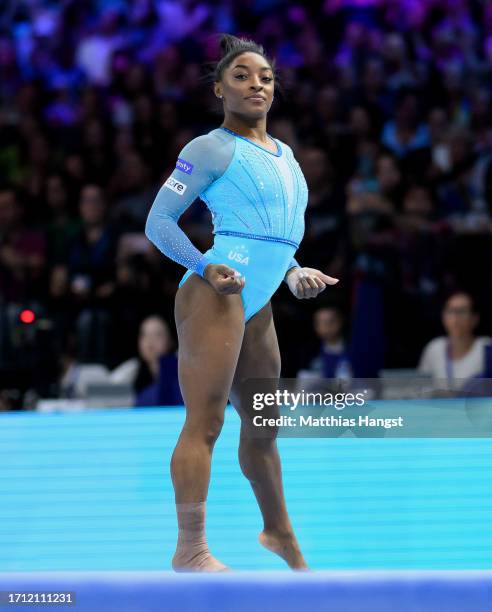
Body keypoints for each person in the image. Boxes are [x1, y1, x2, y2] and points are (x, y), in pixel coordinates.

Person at [145, 34, 338, 572]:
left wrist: (297, 273)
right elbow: (158, 223)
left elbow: (277, 237)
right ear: (218, 89)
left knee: (262, 431)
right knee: (205, 423)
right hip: (215, 293)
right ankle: (190, 550)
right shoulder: (208, 148)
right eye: (241, 75)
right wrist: (204, 266)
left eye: (265, 77)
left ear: (274, 92)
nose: (256, 83)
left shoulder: (287, 156)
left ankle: (281, 536)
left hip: (258, 302)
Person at [418, 291, 492, 388]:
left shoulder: (486, 346)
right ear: (443, 316)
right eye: (450, 311)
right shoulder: (434, 348)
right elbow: (420, 386)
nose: (455, 317)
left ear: (475, 318)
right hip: (441, 403)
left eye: (462, 311)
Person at [110, 315, 182, 406]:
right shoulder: (131, 369)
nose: (150, 341)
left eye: (158, 335)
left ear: (171, 340)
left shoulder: (181, 369)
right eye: (144, 335)